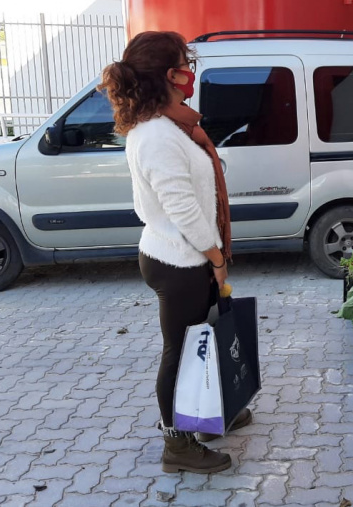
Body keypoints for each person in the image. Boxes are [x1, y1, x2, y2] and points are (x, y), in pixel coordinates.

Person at [99, 31, 251, 474]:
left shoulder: (169, 126)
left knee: (202, 341)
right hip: (178, 260)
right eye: (187, 63)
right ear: (171, 75)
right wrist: (216, 258)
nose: (191, 71)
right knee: (181, 353)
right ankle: (177, 444)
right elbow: (182, 209)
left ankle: (209, 414)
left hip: (185, 255)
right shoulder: (157, 135)